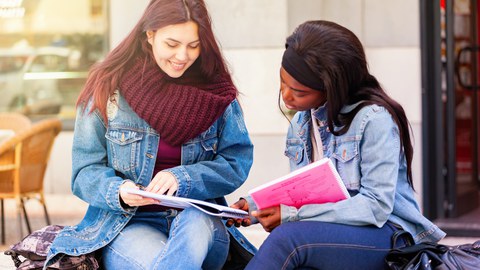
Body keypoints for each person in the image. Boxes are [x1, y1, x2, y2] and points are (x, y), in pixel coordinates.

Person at [45, 0, 256, 269]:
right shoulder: (108, 88)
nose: (182, 56)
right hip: (130, 223)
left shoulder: (218, 92)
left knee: (193, 222)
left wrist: (184, 178)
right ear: (150, 35)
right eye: (172, 44)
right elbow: (84, 172)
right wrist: (119, 190)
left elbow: (236, 162)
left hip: (199, 220)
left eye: (193, 45)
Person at [227, 20, 446, 270]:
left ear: (332, 88)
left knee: (288, 239)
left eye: (298, 91)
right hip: (336, 232)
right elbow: (303, 191)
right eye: (282, 82)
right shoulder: (301, 122)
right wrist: (255, 207)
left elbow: (375, 207)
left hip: (389, 235)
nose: (286, 96)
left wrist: (291, 215)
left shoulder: (374, 120)